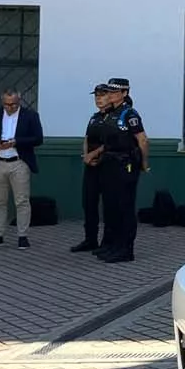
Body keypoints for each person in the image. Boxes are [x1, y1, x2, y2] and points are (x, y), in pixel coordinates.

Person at [0, 88, 44, 250]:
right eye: (7, 105)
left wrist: (17, 142)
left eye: (13, 104)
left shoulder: (30, 116)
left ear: (19, 101)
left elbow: (38, 138)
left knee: (21, 200)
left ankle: (23, 235)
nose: (10, 108)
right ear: (2, 102)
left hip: (19, 161)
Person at [97, 77, 148, 263]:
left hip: (125, 164)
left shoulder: (129, 114)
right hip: (109, 163)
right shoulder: (110, 114)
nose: (110, 95)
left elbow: (142, 140)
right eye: (109, 91)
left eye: (114, 92)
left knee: (124, 207)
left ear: (124, 93)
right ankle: (113, 245)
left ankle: (126, 249)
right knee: (111, 207)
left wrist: (144, 163)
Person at [70, 84, 112, 255]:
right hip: (91, 165)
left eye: (102, 95)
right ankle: (90, 239)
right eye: (96, 96)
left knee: (109, 205)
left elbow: (111, 142)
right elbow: (87, 138)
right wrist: (86, 155)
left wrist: (94, 155)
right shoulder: (94, 118)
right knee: (89, 203)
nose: (98, 99)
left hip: (107, 165)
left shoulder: (114, 118)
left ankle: (107, 241)